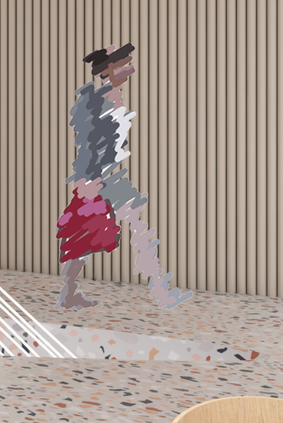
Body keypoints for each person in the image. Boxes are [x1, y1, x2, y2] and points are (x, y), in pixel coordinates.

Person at [58, 43, 191, 309]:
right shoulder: (92, 101)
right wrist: (87, 180)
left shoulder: (114, 98)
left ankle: (161, 291)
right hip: (96, 179)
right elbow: (86, 140)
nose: (129, 66)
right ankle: (68, 292)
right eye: (122, 63)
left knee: (139, 229)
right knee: (83, 240)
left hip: (113, 178)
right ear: (107, 70)